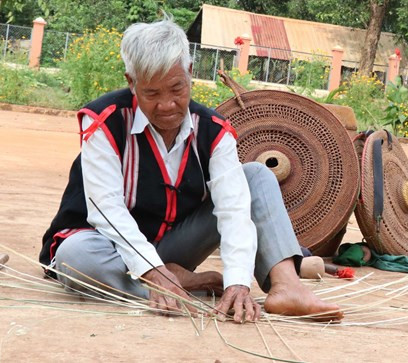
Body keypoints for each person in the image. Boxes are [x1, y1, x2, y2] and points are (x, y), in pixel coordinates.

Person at [39, 19, 342, 323]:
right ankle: (185, 285)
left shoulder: (213, 131)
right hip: (108, 249)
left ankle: (287, 287)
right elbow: (105, 209)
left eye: (176, 88)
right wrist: (153, 270)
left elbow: (234, 209)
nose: (167, 104)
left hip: (174, 246)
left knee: (257, 177)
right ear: (131, 83)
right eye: (151, 93)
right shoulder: (105, 122)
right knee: (74, 258)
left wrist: (237, 280)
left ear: (190, 73)